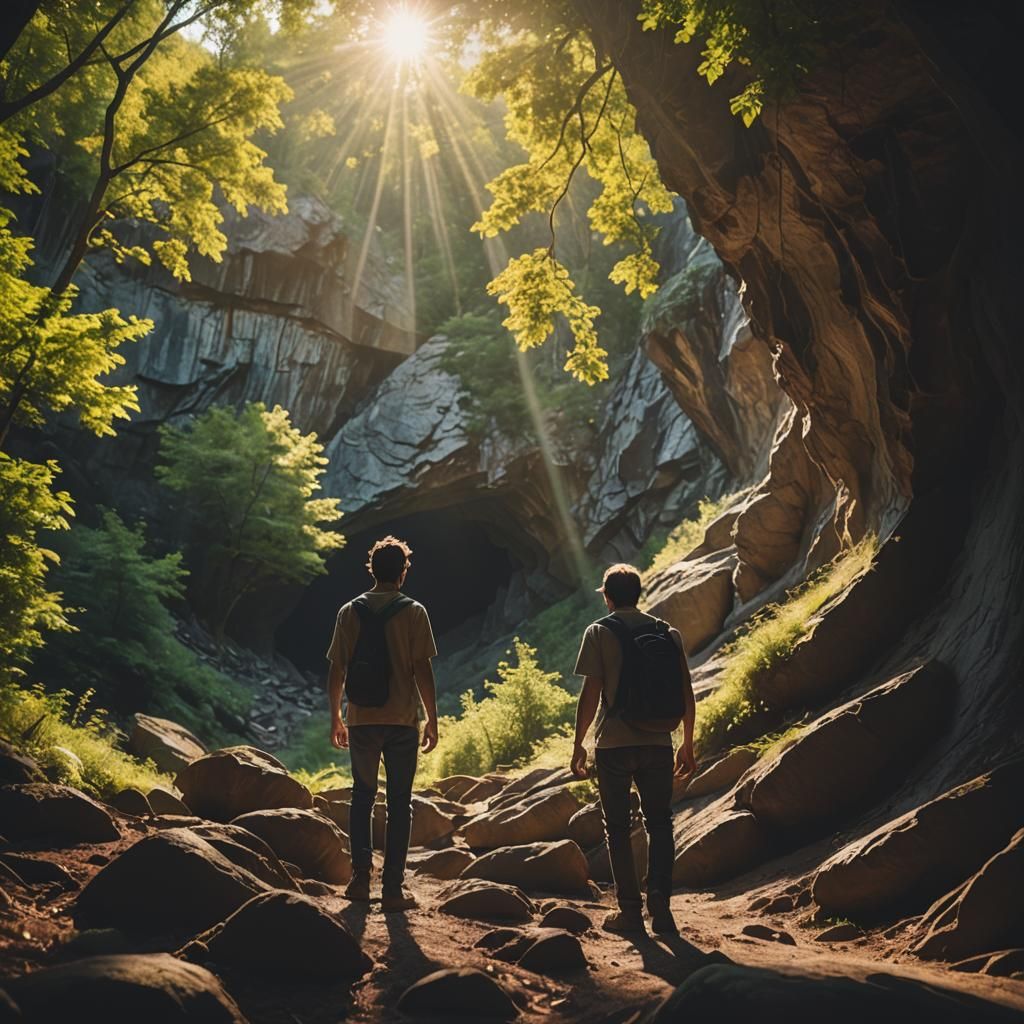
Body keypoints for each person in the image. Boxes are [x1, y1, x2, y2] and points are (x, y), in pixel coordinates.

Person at [571, 562, 696, 935]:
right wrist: (687, 743)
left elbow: (591, 694)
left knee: (617, 828)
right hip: (659, 742)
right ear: (638, 594)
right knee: (660, 823)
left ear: (607, 597)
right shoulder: (667, 633)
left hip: (613, 745)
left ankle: (629, 912)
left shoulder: (599, 632)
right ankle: (660, 902)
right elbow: (685, 693)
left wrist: (579, 743)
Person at [326, 535, 439, 911]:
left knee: (362, 796)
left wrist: (336, 717)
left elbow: (337, 669)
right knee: (399, 801)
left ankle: (360, 879)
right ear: (403, 572)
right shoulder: (414, 611)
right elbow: (423, 669)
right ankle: (392, 888)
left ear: (371, 569)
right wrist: (432, 719)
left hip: (361, 718)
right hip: (403, 720)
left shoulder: (348, 611)